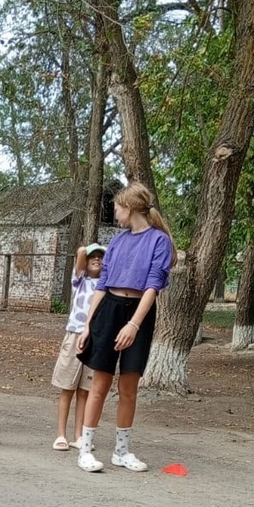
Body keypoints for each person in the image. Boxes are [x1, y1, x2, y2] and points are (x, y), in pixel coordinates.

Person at [75, 183, 176, 473]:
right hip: (109, 310)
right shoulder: (117, 242)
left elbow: (153, 286)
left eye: (117, 209)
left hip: (139, 313)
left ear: (128, 208)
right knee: (100, 384)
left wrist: (134, 324)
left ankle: (121, 452)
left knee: (129, 387)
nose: (115, 214)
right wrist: (87, 325)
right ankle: (85, 450)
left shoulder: (159, 241)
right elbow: (102, 285)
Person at [50, 244, 105, 451]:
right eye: (94, 257)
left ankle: (78, 436)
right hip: (75, 336)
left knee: (84, 391)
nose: (97, 259)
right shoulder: (80, 280)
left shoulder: (106, 284)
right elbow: (81, 252)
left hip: (95, 340)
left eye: (101, 257)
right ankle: (61, 435)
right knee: (67, 388)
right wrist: (93, 250)